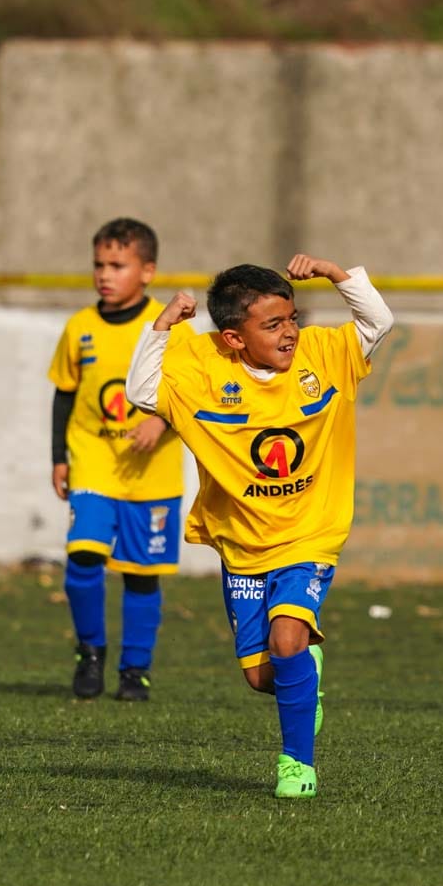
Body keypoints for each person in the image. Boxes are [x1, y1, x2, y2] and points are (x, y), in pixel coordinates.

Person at [125, 254, 393, 798]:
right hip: (243, 545)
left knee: (287, 636)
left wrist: (337, 275)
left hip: (312, 533)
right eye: (272, 325)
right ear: (232, 338)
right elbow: (142, 391)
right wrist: (161, 325)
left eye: (291, 318)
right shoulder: (202, 366)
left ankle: (297, 765)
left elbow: (377, 323)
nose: (289, 331)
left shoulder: (324, 352)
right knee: (261, 676)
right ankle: (305, 674)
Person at [48, 218, 188, 701]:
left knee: (140, 574)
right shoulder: (80, 328)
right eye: (98, 265)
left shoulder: (168, 328)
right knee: (82, 555)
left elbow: (192, 395)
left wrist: (160, 421)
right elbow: (65, 395)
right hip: (93, 459)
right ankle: (90, 652)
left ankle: (135, 670)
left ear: (147, 271)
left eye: (117, 265)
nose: (104, 274)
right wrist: (58, 457)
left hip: (152, 470)